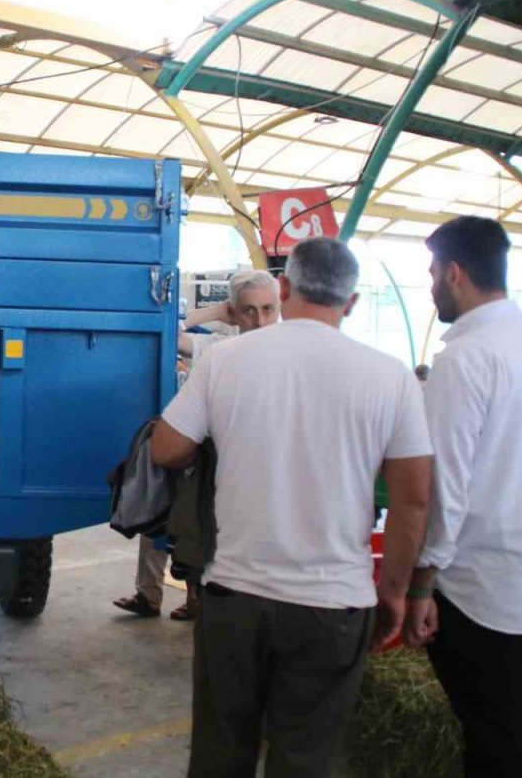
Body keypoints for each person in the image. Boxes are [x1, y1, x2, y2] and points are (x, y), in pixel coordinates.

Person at [151, 238, 433, 778]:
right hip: (332, 605)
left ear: (284, 289)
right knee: (305, 757)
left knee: (220, 752)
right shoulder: (390, 375)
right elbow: (414, 497)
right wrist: (397, 591)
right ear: (351, 302)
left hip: (235, 598)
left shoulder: (226, 360)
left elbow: (167, 449)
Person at [403, 217, 522, 778]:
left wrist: (420, 585)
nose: (432, 286)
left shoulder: (466, 360)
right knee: (507, 725)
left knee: (493, 741)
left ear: (454, 274)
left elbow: (444, 488)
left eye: (433, 274)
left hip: (482, 593)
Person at [113, 270, 279, 620]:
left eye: (268, 309)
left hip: (259, 476)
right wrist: (213, 313)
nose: (260, 321)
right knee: (175, 516)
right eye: (248, 311)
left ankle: (198, 601)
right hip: (212, 467)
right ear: (235, 312)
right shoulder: (219, 351)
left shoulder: (292, 355)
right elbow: (169, 335)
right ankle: (159, 595)